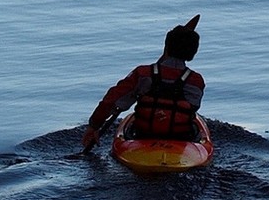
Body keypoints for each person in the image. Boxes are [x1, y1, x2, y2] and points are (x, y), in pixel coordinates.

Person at [81, 15, 204, 149]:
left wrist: (94, 125)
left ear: (166, 47)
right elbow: (192, 106)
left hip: (143, 136)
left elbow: (112, 100)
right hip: (181, 140)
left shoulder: (143, 74)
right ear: (193, 53)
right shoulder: (196, 81)